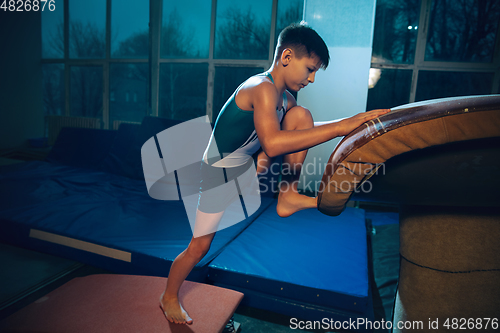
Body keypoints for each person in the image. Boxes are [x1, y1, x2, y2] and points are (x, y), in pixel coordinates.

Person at [160, 22, 390, 324]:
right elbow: (272, 142)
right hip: (217, 173)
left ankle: (288, 196)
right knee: (200, 246)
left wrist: (351, 123)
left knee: (301, 116)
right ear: (286, 57)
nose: (312, 78)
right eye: (309, 69)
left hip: (248, 167)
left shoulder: (285, 100)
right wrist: (340, 127)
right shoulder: (261, 88)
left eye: (316, 72)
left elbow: (296, 133)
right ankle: (168, 297)